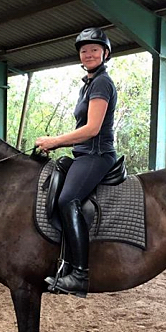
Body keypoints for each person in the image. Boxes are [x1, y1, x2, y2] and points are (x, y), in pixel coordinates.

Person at [36, 27, 118, 298]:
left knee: (67, 199)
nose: (89, 53)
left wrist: (55, 141)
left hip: (97, 155)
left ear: (105, 53)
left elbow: (92, 128)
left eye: (95, 49)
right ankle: (64, 263)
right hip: (82, 154)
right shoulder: (88, 84)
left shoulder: (102, 83)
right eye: (84, 50)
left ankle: (80, 275)